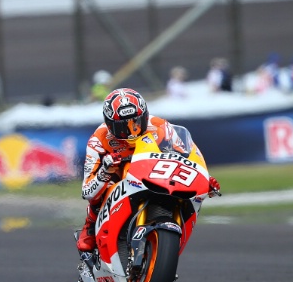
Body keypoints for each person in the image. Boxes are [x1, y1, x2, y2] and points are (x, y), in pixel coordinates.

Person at [76, 88, 221, 252]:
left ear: (145, 116)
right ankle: (90, 225)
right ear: (110, 125)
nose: (132, 131)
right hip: (118, 175)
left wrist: (203, 178)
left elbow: (186, 155)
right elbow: (87, 191)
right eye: (123, 126)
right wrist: (105, 171)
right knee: (100, 193)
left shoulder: (161, 126)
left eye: (136, 122)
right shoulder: (99, 139)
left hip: (153, 172)